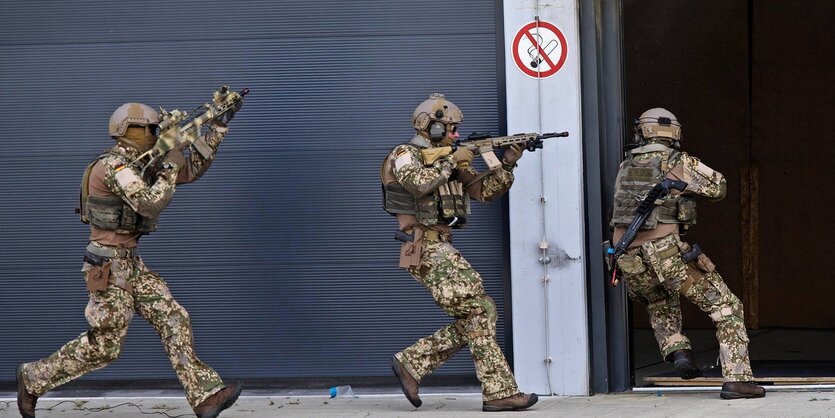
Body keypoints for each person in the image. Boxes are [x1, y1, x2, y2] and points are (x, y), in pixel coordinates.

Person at [16, 99, 244, 418]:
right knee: (105, 347)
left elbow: (191, 169)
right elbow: (150, 203)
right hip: (106, 266)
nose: (155, 132)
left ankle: (205, 395)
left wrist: (217, 127)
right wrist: (169, 161)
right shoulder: (113, 166)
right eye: (151, 128)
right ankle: (33, 377)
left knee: (174, 318)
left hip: (132, 264)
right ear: (129, 130)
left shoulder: (144, 162)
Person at [381, 93, 537, 412]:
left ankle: (413, 364)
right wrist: (454, 157)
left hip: (438, 243)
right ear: (430, 126)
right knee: (480, 308)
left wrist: (508, 162)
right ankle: (498, 392)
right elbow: (418, 184)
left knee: (478, 311)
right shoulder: (405, 154)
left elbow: (484, 191)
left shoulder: (448, 158)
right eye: (449, 129)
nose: (455, 135)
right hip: (422, 244)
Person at [611, 108, 765, 399]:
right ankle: (738, 380)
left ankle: (679, 351)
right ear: (674, 132)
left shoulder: (625, 166)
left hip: (628, 257)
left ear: (642, 131)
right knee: (727, 308)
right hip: (666, 254)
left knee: (659, 302)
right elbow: (718, 187)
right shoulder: (678, 161)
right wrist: (684, 185)